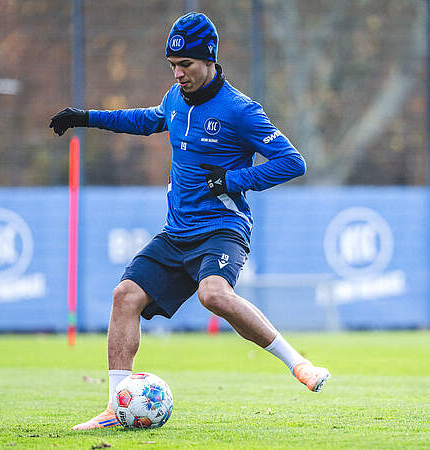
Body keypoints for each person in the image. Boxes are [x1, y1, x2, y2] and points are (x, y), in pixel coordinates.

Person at [50, 12, 330, 430]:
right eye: (173, 65)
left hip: (223, 229)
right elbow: (144, 120)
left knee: (212, 294)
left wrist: (232, 180)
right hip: (177, 232)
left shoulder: (240, 110)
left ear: (210, 59)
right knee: (125, 295)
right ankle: (114, 406)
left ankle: (299, 364)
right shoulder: (175, 98)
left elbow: (293, 162)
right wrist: (86, 117)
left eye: (186, 65)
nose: (178, 74)